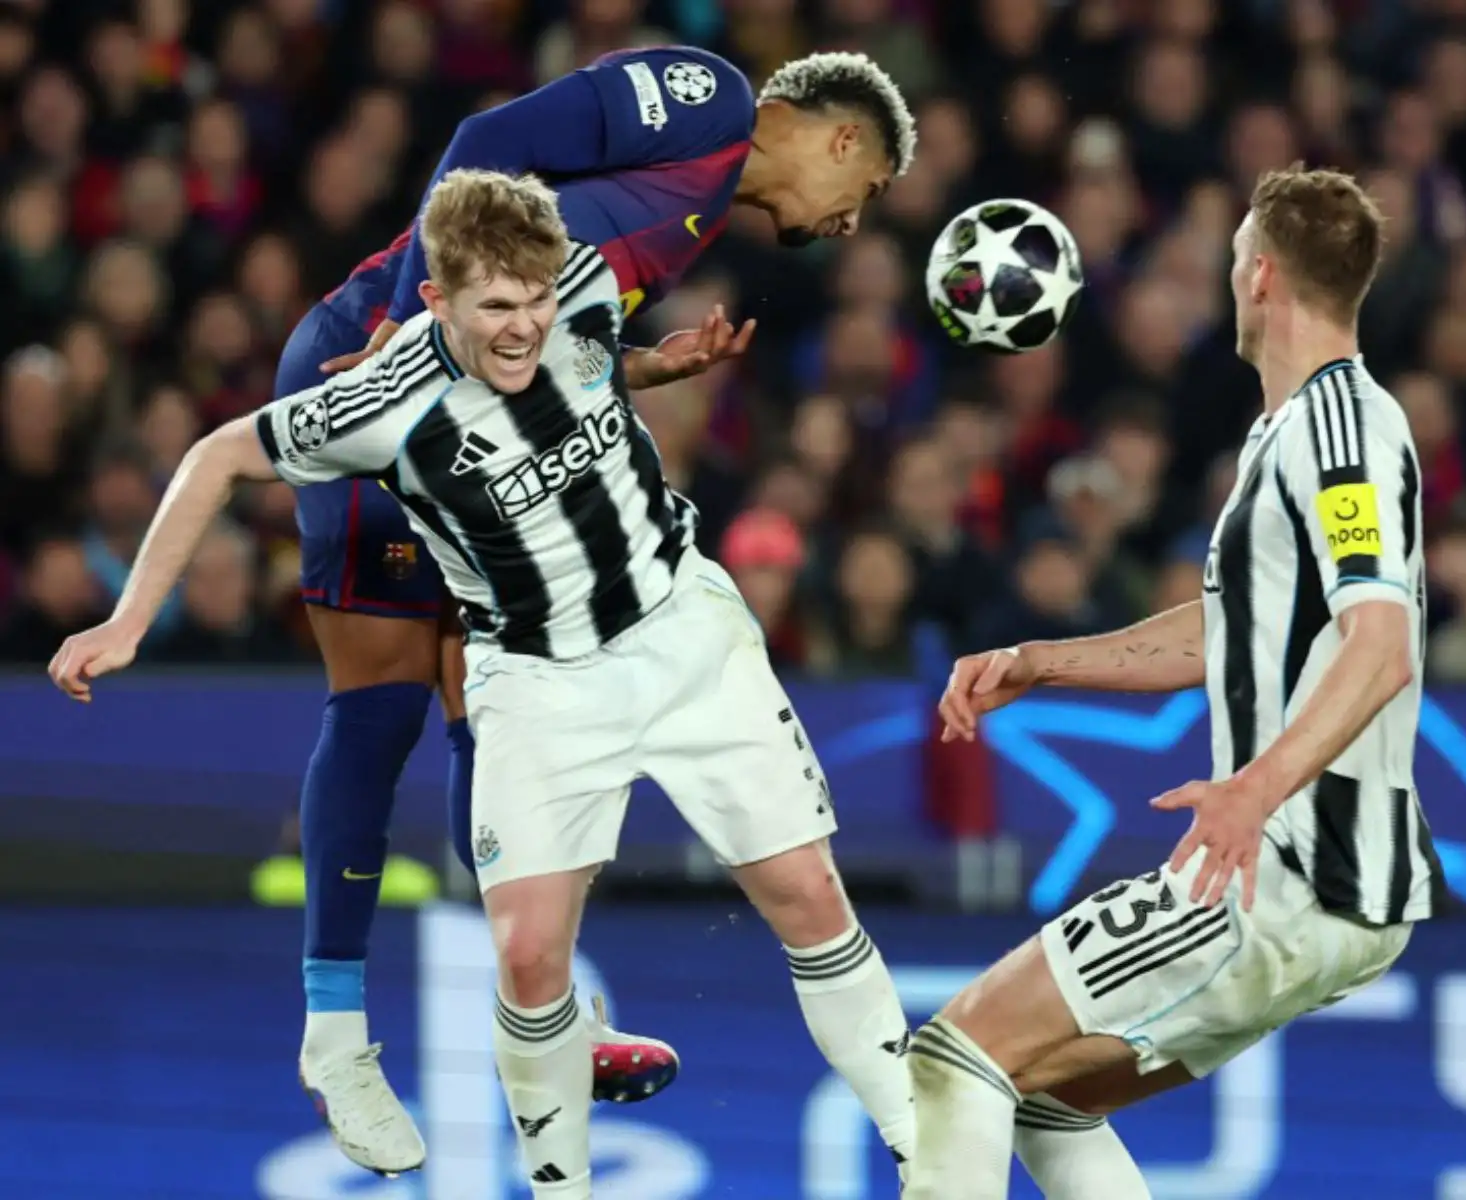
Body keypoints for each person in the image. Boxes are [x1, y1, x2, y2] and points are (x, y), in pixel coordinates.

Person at [51, 169, 916, 1198]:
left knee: (808, 895)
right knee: (530, 954)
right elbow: (215, 458)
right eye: (496, 310)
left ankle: (929, 1148)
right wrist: (129, 618)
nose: (524, 327)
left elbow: (587, 351)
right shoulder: (379, 401)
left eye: (536, 302)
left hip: (687, 637)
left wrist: (655, 365)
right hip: (537, 683)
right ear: (435, 301)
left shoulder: (582, 287)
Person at [269, 48, 916, 1170]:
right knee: (379, 702)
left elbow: (535, 329)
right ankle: (337, 1040)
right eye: (865, 198)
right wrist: (398, 328)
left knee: (496, 692)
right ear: (842, 137)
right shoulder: (708, 101)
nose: (852, 225)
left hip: (454, 402)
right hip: (369, 371)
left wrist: (641, 369)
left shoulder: (699, 217)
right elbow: (485, 150)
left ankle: (548, 1001)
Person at [908, 167, 1449, 1198]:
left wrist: (1255, 790)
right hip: (1317, 881)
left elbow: (1381, 645)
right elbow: (1229, 635)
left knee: (957, 1058)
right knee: (1043, 1096)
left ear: (1257, 275)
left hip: (1291, 871)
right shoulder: (1293, 432)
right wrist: (1045, 660)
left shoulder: (1341, 433)